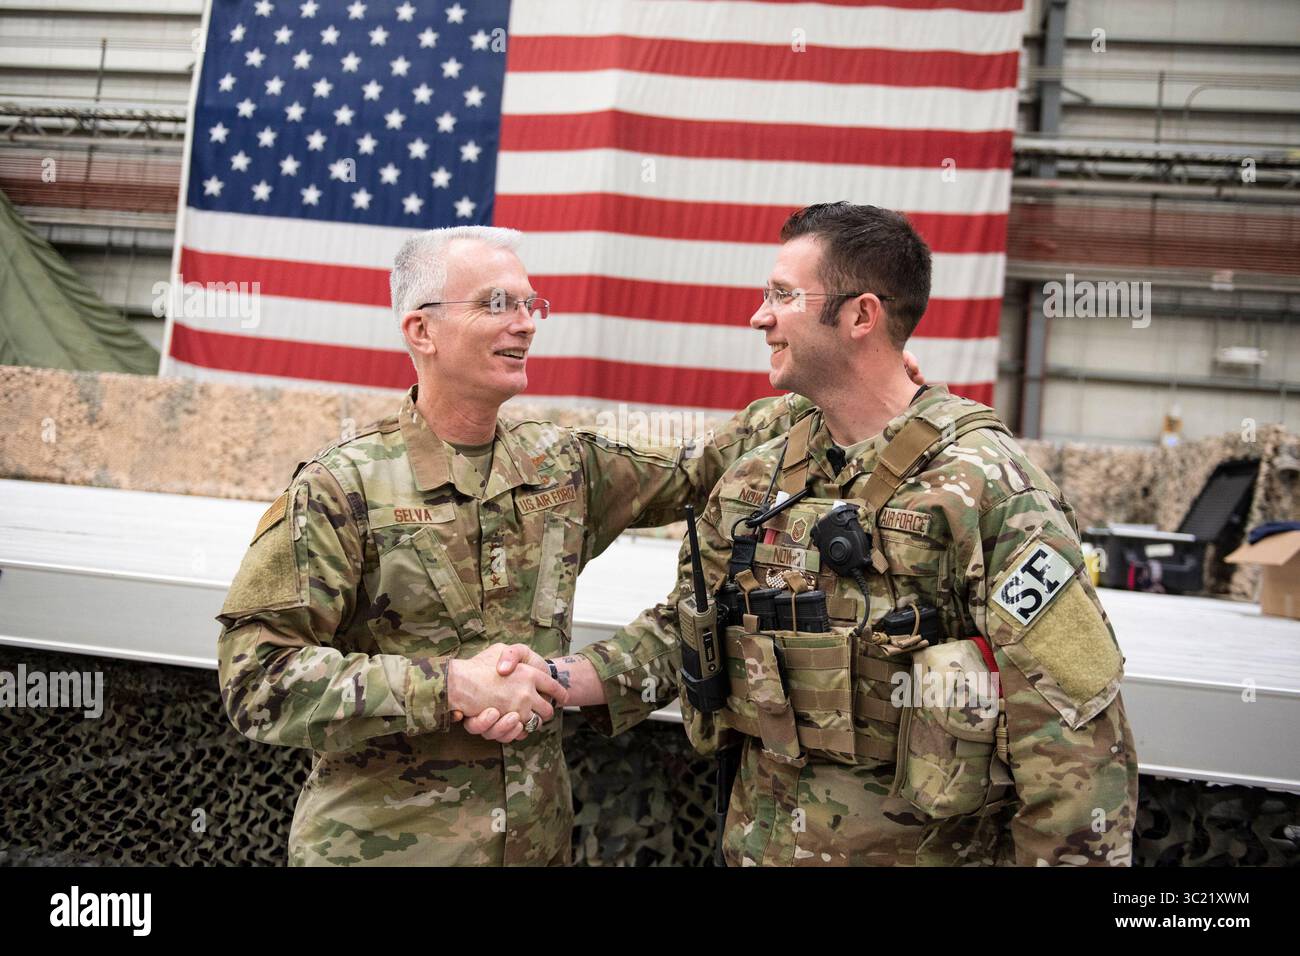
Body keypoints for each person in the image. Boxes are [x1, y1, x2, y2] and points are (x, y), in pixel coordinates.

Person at [519, 202, 1140, 866]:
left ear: (860, 316)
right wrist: (562, 678)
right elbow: (691, 631)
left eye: (783, 296)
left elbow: (1074, 743)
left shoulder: (989, 489)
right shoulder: (758, 474)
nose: (759, 317)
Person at [215, 225, 831, 866]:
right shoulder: (340, 488)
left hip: (534, 849)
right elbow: (255, 677)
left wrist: (844, 380)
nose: (526, 324)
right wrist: (451, 686)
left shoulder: (559, 465)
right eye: (495, 304)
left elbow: (704, 467)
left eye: (531, 304)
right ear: (421, 331)